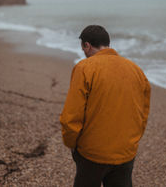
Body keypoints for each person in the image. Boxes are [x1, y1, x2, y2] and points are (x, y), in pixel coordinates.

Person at [60, 25, 151, 187]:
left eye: (83, 48)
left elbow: (71, 117)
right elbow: (143, 114)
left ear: (86, 45)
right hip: (126, 152)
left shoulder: (85, 68)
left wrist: (72, 144)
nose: (84, 53)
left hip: (92, 153)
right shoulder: (136, 70)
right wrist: (132, 142)